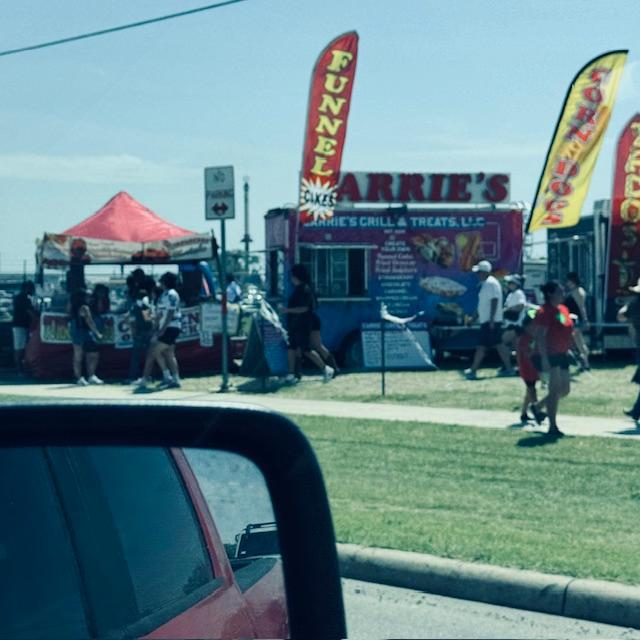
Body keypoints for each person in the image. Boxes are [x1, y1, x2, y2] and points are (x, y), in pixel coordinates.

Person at [529, 281, 575, 437]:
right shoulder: (544, 312)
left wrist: (572, 348)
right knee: (554, 391)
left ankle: (538, 407)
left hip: (562, 353)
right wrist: (544, 359)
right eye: (559, 291)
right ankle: (553, 426)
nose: (563, 294)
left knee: (565, 390)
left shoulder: (563, 310)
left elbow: (566, 329)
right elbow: (540, 336)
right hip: (549, 354)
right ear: (550, 294)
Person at [279, 264, 334, 385]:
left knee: (305, 349)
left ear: (296, 276)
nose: (291, 278)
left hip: (302, 324)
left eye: (292, 275)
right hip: (295, 324)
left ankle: (326, 368)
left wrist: (287, 310)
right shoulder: (299, 289)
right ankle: (291, 374)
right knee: (292, 348)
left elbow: (304, 308)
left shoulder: (304, 289)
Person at [464, 260, 516, 380]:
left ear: (484, 272)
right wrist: (474, 318)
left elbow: (494, 301)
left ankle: (473, 370)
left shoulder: (491, 283)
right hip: (488, 321)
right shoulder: (486, 284)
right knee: (498, 345)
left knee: (482, 346)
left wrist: (492, 320)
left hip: (490, 321)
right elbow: (482, 305)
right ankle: (509, 369)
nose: (477, 275)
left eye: (479, 272)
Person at [136, 272, 182, 389]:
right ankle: (174, 378)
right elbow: (161, 314)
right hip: (166, 326)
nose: (159, 283)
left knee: (153, 351)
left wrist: (162, 329)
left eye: (161, 280)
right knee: (168, 353)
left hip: (171, 326)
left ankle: (164, 377)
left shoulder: (171, 294)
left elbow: (170, 313)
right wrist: (154, 327)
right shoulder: (163, 295)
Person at [69, 288, 104, 386]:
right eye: (88, 296)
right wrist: (97, 333)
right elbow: (89, 321)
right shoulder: (85, 307)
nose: (91, 298)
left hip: (76, 331)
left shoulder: (73, 307)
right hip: (83, 332)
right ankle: (88, 376)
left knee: (80, 355)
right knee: (90, 354)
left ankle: (81, 377)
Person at [516, 312, 545, 424]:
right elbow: (526, 354)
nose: (534, 328)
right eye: (532, 325)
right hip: (526, 369)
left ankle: (523, 413)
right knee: (532, 391)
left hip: (533, 370)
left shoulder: (534, 337)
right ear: (526, 326)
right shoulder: (524, 339)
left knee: (530, 391)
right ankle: (537, 412)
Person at [617, 278, 640, 422]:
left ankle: (636, 411)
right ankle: (636, 411)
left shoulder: (636, 304)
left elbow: (620, 317)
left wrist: (625, 306)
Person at [126, 288, 154, 384]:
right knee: (148, 355)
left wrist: (133, 333)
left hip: (138, 333)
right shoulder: (145, 306)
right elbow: (148, 319)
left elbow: (131, 321)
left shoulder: (134, 306)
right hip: (146, 332)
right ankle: (147, 375)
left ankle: (132, 376)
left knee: (136, 356)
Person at [565, 272, 591, 371]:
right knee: (577, 343)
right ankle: (584, 363)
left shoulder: (577, 292)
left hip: (575, 320)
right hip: (571, 319)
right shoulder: (574, 291)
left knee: (579, 343)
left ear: (573, 281)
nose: (567, 283)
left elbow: (581, 307)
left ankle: (586, 363)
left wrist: (585, 320)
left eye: (568, 281)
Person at [12, 280, 37, 375]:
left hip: (20, 325)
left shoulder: (18, 297)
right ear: (27, 288)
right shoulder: (24, 298)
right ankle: (19, 369)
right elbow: (30, 313)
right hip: (20, 325)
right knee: (19, 348)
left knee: (20, 347)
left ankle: (20, 368)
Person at [501, 275, 527, 351]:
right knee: (517, 348)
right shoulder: (511, 295)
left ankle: (507, 362)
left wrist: (508, 309)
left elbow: (521, 305)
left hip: (515, 325)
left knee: (501, 343)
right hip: (509, 323)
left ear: (516, 284)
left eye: (510, 283)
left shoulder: (519, 293)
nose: (508, 285)